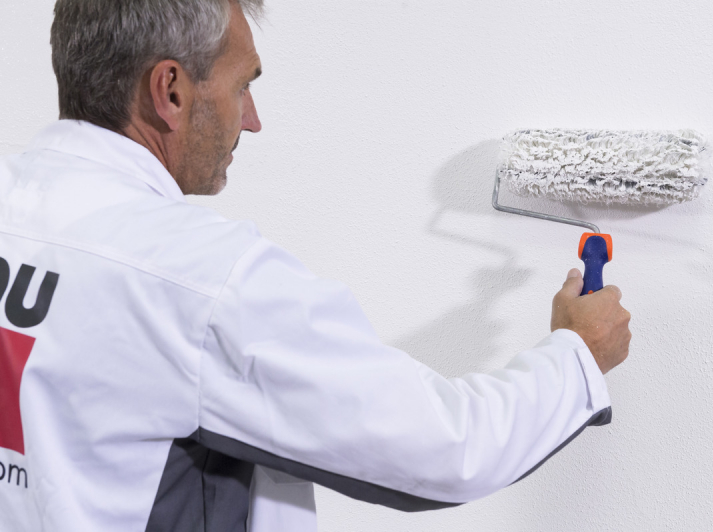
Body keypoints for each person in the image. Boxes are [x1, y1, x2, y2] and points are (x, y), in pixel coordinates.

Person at [0, 0, 631, 530]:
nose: (252, 120)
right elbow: (448, 449)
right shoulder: (206, 281)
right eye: (243, 85)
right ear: (170, 91)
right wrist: (577, 355)